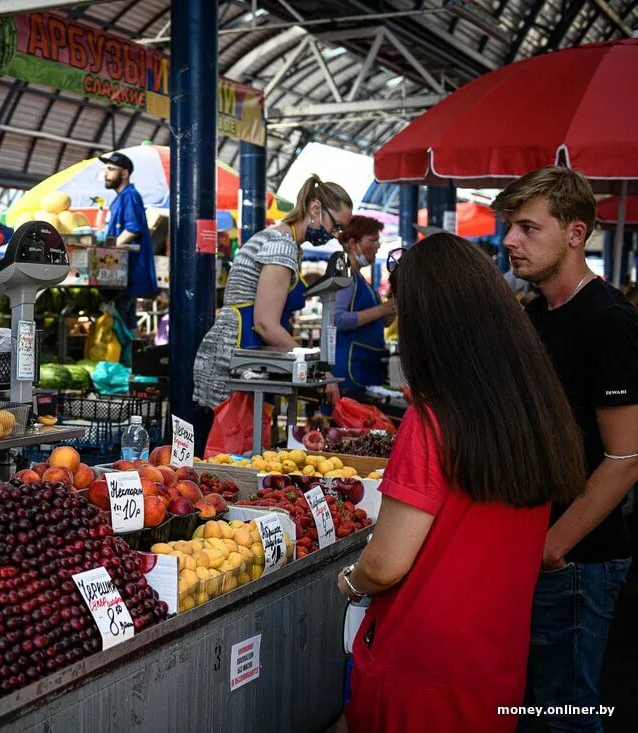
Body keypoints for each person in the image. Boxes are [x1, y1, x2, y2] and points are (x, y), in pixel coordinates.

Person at [337, 233, 586, 732]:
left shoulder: (433, 421)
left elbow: (386, 564)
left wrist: (348, 582)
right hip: (495, 660)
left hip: (421, 665)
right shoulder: (535, 412)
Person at [492, 166, 638, 733]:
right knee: (532, 708)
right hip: (535, 550)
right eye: (510, 226)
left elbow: (626, 459)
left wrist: (554, 545)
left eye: (527, 228)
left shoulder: (608, 322)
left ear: (576, 234)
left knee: (566, 714)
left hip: (578, 561)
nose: (510, 240)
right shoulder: (536, 316)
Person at [193, 173, 352, 410]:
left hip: (246, 356)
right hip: (234, 359)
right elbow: (265, 324)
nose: (336, 235)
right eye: (336, 225)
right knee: (230, 443)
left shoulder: (288, 244)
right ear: (315, 208)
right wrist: (315, 367)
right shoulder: (282, 245)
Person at [332, 215, 395, 397]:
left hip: (362, 369)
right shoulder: (346, 277)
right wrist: (381, 310)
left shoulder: (362, 281)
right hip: (348, 372)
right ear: (353, 243)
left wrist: (388, 315)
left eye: (378, 241)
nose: (377, 246)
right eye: (372, 241)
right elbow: (337, 319)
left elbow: (374, 322)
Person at [100, 151, 157, 335]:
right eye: (105, 169)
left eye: (110, 169)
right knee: (127, 319)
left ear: (124, 173)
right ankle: (132, 359)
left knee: (123, 320)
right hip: (122, 274)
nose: (105, 173)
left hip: (128, 273)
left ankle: (128, 360)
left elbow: (133, 229)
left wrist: (107, 249)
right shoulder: (120, 198)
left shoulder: (130, 196)